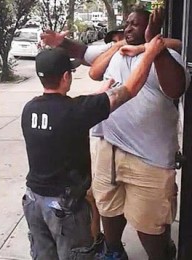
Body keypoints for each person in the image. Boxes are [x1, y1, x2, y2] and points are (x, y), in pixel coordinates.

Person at [21, 35, 166, 260]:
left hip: (33, 201)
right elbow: (130, 89)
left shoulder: (30, 109)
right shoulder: (75, 112)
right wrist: (150, 53)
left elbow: (70, 110)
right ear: (66, 77)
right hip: (63, 208)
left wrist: (102, 92)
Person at [87, 7, 188, 260]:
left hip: (148, 158)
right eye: (127, 23)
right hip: (107, 148)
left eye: (135, 24)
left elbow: (176, 89)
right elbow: (91, 67)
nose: (128, 28)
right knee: (109, 207)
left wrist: (155, 47)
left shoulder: (168, 57)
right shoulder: (116, 53)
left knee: (150, 221)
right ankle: (113, 251)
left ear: (150, 28)